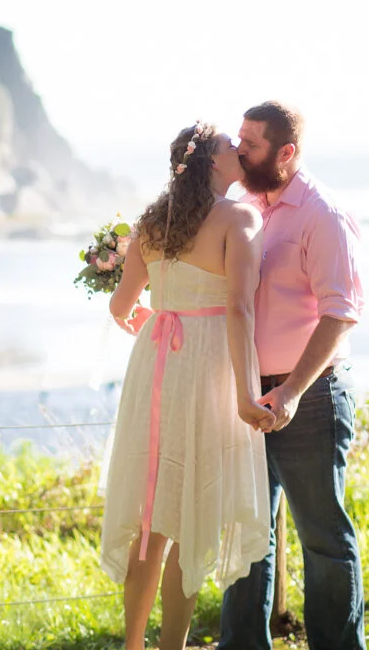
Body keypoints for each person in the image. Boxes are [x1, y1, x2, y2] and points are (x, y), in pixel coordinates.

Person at [100, 121, 275, 650]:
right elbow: (240, 309)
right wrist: (247, 395)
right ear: (214, 164)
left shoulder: (152, 221)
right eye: (231, 147)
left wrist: (154, 319)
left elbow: (119, 307)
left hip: (154, 362)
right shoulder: (239, 217)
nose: (240, 152)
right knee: (188, 516)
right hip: (204, 366)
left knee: (152, 515)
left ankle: (133, 646)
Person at [219, 100, 366, 650]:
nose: (239, 150)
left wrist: (291, 392)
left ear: (287, 152)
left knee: (323, 536)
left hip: (309, 397)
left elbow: (342, 312)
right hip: (244, 395)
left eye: (250, 143)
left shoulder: (322, 214)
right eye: (238, 139)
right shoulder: (242, 201)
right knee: (247, 531)